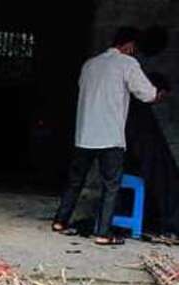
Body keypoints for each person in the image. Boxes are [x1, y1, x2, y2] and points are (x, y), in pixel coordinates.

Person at [52, 27, 162, 246]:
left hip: (84, 135)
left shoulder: (90, 64)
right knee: (111, 185)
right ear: (129, 45)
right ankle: (103, 233)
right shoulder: (127, 64)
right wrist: (160, 94)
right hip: (110, 137)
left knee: (75, 181)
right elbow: (147, 94)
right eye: (134, 48)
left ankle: (60, 221)